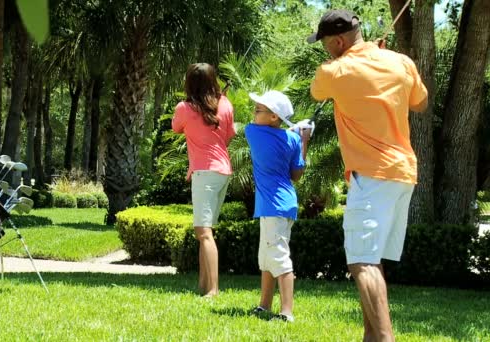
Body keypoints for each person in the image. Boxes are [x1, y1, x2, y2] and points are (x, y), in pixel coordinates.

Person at [308, 9, 428, 341]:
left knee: (361, 263)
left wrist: (359, 62)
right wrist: (382, 58)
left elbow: (316, 92)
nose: (325, 50)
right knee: (372, 261)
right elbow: (420, 102)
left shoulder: (334, 70)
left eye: (325, 44)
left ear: (338, 41)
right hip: (403, 173)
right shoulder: (400, 62)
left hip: (371, 177)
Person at [245, 90, 312, 322]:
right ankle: (264, 305)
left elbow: (273, 134)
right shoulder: (293, 140)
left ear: (274, 117)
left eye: (259, 109)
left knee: (280, 258)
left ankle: (286, 312)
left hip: (274, 205)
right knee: (266, 258)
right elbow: (296, 174)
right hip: (282, 204)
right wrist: (303, 139)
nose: (254, 112)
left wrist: (295, 132)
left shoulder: (252, 132)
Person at [172, 63, 236, 297]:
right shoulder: (226, 104)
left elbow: (176, 127)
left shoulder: (184, 108)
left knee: (204, 232)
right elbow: (227, 138)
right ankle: (202, 284)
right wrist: (220, 104)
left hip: (204, 173)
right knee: (206, 232)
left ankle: (212, 290)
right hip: (223, 171)